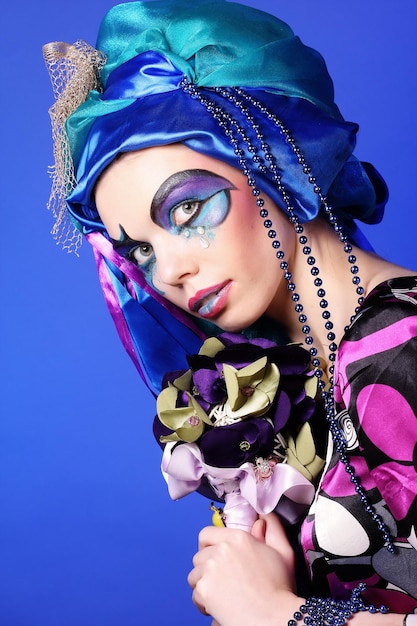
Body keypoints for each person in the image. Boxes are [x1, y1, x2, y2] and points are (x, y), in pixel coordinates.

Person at [43, 1, 417, 624]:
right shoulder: (295, 367)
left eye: (185, 210)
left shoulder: (404, 342)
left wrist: (278, 613)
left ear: (272, 157)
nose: (167, 273)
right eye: (141, 249)